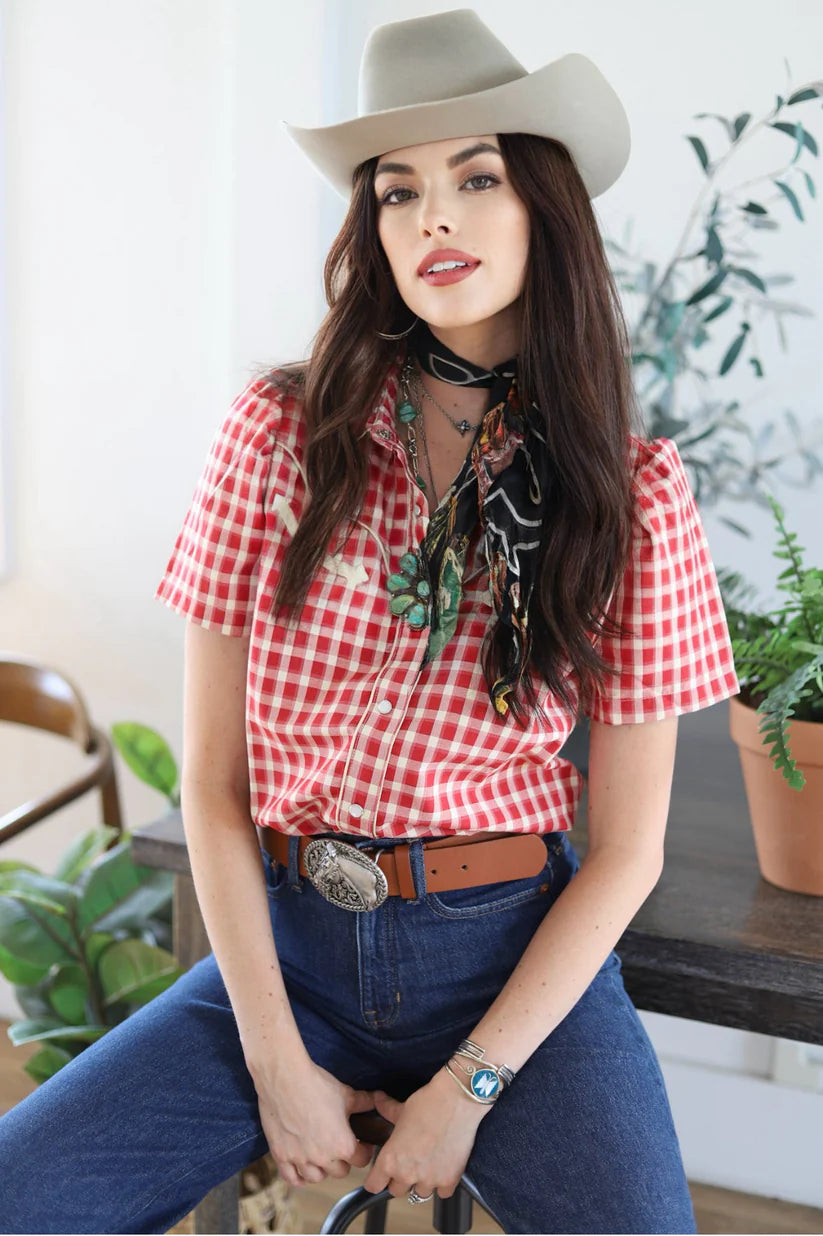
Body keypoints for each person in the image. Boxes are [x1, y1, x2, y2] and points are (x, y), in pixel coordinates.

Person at [0, 9, 741, 1234]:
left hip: (506, 958)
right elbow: (213, 786)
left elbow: (626, 853)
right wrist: (278, 1064)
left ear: (544, 206)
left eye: (475, 177)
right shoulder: (279, 438)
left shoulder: (633, 492)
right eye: (397, 193)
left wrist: (471, 1084)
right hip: (285, 951)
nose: (432, 218)